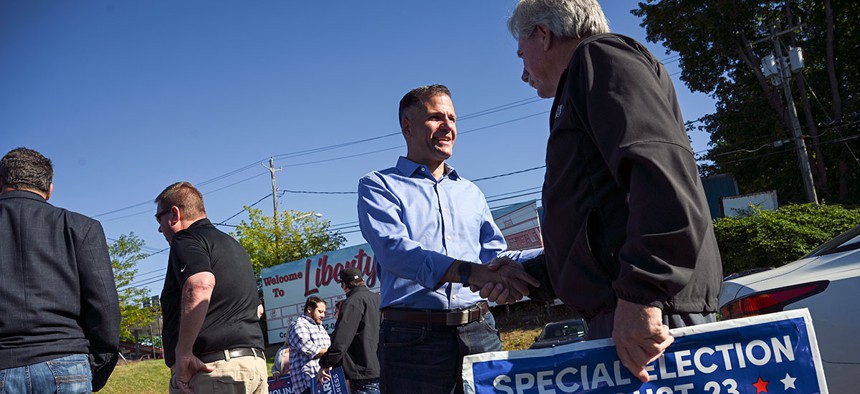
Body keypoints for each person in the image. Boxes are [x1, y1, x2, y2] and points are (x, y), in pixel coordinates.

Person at [499, 0, 723, 383]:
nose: (523, 73)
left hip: (649, 314)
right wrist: (524, 275)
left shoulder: (600, 56)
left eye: (522, 54)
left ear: (543, 33)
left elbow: (662, 178)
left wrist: (643, 294)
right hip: (628, 308)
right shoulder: (584, 80)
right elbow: (597, 225)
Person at [357, 84, 543, 393]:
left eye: (452, 119)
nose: (448, 127)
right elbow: (397, 252)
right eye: (435, 117)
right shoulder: (378, 186)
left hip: (481, 331)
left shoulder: (471, 192)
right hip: (413, 341)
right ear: (407, 126)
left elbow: (496, 259)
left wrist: (551, 258)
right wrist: (470, 272)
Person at [0, 147, 121, 392]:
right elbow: (105, 307)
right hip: (67, 363)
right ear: (49, 189)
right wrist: (95, 365)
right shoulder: (81, 227)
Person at [155, 181, 268, 393]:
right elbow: (258, 309)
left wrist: (184, 352)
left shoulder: (185, 239)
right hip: (254, 367)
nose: (159, 228)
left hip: (212, 371)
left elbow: (200, 285)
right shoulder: (233, 246)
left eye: (158, 218)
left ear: (174, 214)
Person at [319, 267, 381, 394]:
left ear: (344, 284)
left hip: (362, 374)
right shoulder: (378, 299)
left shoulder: (352, 302)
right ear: (362, 281)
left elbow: (341, 340)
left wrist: (325, 363)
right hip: (383, 369)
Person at [288, 297, 331, 394]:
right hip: (307, 384)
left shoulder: (320, 327)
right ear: (309, 309)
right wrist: (332, 352)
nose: (323, 315)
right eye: (320, 311)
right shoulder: (299, 325)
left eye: (324, 312)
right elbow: (308, 349)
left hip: (323, 382)